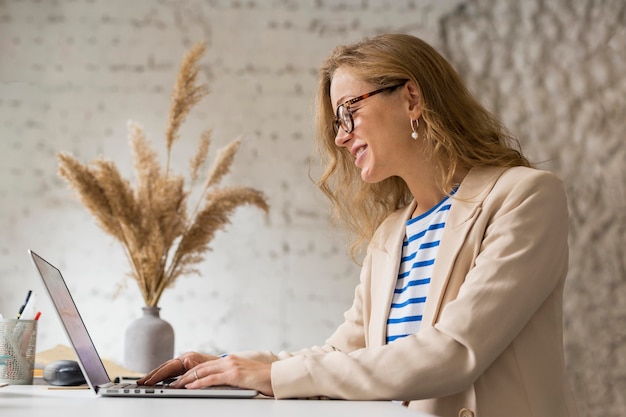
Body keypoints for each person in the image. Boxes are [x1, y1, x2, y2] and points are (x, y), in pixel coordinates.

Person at [138, 33, 579, 417]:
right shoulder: (392, 234)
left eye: (348, 111)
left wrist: (271, 374)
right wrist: (225, 365)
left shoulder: (525, 197)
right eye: (335, 123)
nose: (340, 137)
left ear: (411, 98)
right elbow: (342, 355)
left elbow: (454, 352)